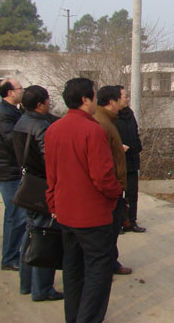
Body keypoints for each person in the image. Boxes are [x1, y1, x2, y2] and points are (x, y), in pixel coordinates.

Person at [45, 78, 122, 323]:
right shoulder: (92, 130)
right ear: (85, 99)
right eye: (94, 96)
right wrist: (116, 193)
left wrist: (53, 202)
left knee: (73, 269)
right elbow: (103, 176)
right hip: (92, 216)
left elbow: (51, 174)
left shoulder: (54, 129)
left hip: (65, 212)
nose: (96, 101)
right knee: (98, 270)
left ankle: (74, 317)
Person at [12, 85, 63, 302]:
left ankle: (26, 284)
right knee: (45, 236)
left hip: (28, 183)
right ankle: (42, 288)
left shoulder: (21, 122)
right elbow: (49, 159)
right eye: (48, 100)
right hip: (42, 185)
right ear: (41, 104)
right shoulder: (41, 126)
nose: (50, 103)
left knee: (31, 234)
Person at [94, 85, 131, 275]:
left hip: (114, 184)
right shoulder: (101, 123)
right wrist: (114, 188)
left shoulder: (108, 120)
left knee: (112, 229)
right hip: (109, 186)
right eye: (120, 99)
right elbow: (102, 161)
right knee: (107, 231)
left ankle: (110, 262)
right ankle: (105, 267)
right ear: (111, 102)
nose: (122, 102)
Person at [0, 78, 25, 271]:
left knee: (16, 215)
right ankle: (9, 258)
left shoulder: (14, 110)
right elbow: (12, 141)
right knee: (15, 215)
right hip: (8, 172)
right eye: (20, 88)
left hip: (13, 170)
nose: (22, 91)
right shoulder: (3, 113)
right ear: (10, 93)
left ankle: (12, 255)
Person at [113, 85, 146, 233]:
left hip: (132, 159)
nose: (127, 99)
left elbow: (135, 132)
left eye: (127, 96)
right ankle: (118, 222)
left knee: (132, 194)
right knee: (118, 195)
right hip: (118, 163)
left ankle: (131, 221)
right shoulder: (112, 117)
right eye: (124, 96)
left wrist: (137, 146)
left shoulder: (130, 114)